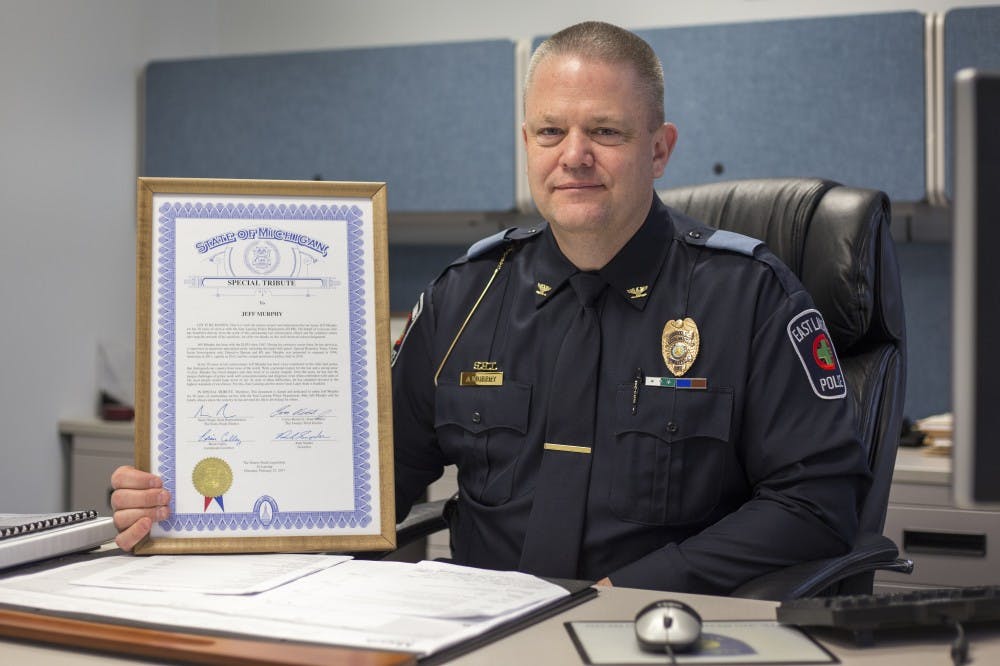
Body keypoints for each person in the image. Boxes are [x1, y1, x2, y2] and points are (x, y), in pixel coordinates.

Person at [111, 21, 870, 593]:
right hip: (473, 633)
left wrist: (638, 590)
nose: (573, 154)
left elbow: (816, 505)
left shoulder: (750, 297)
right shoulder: (463, 297)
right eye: (551, 131)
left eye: (604, 131)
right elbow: (369, 485)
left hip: (650, 632)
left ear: (659, 149)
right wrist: (195, 505)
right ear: (528, 143)